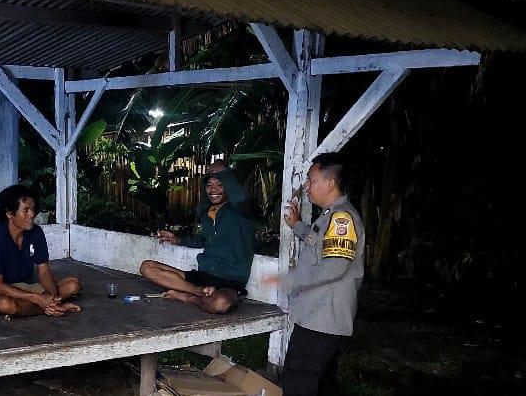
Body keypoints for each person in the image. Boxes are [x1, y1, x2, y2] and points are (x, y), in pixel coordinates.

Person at [275, 152, 365, 396]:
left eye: (311, 180)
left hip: (321, 319)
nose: (307, 186)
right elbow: (321, 245)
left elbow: (334, 266)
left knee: (298, 382)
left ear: (330, 182)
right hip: (322, 317)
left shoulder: (342, 218)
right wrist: (298, 226)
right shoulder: (331, 217)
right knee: (323, 383)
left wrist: (291, 280)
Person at [140, 161, 258, 314]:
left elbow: (240, 198)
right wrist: (178, 240)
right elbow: (202, 239)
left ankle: (188, 297)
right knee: (147, 267)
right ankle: (198, 291)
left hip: (230, 281)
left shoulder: (242, 212)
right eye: (209, 185)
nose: (213, 189)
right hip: (203, 276)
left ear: (228, 186)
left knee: (220, 303)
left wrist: (223, 171)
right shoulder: (207, 213)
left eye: (219, 184)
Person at [0, 185, 82, 317]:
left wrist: (53, 298)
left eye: (33, 209)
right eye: (25, 210)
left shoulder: (36, 233)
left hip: (25, 288)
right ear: (9, 213)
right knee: (4, 305)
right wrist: (36, 298)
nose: (32, 214)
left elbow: (44, 271)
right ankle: (44, 308)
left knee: (73, 285)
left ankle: (41, 308)